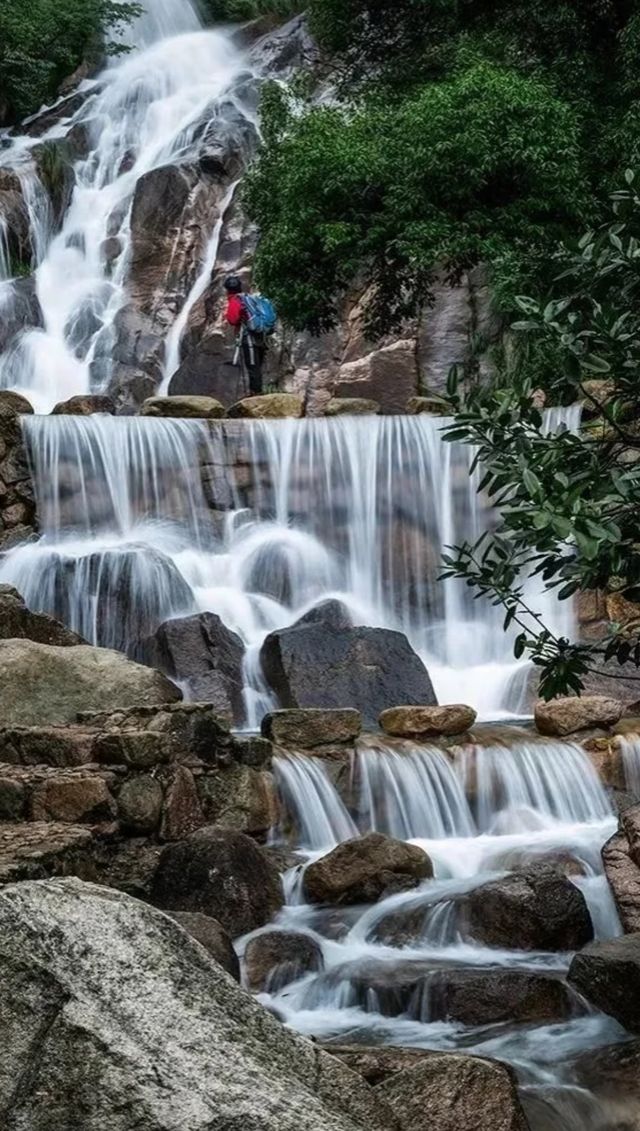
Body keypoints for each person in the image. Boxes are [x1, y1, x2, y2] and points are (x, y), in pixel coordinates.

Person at [224, 275, 267, 396]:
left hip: (248, 336)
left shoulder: (235, 300)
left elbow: (233, 320)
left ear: (227, 290)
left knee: (252, 365)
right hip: (260, 335)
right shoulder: (248, 298)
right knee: (257, 365)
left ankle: (256, 393)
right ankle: (256, 391)